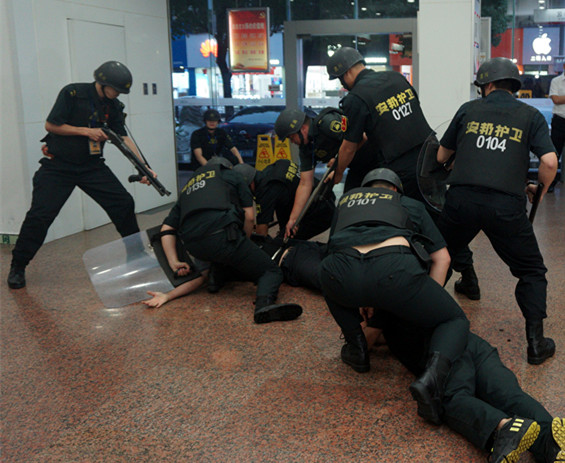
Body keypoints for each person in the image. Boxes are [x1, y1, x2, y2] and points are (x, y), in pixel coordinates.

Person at [326, 46, 480, 301]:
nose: (343, 86)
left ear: (346, 74)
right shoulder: (395, 78)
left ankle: (420, 280)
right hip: (431, 154)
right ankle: (469, 276)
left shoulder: (356, 98)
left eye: (341, 80)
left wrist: (338, 173)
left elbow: (350, 144)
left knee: (411, 220)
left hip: (404, 166)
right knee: (442, 217)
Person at [320, 167, 470, 425]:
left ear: (365, 189)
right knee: (454, 320)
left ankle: (357, 348)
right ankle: (432, 380)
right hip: (394, 269)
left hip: (339, 271)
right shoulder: (408, 203)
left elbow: (336, 248)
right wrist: (427, 303)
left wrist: (364, 297)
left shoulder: (346, 202)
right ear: (395, 190)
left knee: (330, 277)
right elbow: (442, 258)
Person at [436, 57, 558, 366]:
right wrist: (539, 191)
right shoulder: (530, 115)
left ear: (487, 85)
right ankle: (536, 344)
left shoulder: (468, 110)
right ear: (513, 85)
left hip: (461, 201)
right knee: (531, 271)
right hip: (505, 208)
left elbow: (440, 155)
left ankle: (415, 324)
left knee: (439, 256)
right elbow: (549, 162)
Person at [7, 61, 155, 290]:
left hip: (92, 166)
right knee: (40, 215)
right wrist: (86, 131)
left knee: (123, 203)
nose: (117, 94)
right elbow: (51, 125)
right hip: (58, 167)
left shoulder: (113, 106)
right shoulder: (73, 93)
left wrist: (143, 167)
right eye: (115, 89)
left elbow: (123, 138)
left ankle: (136, 255)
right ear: (102, 83)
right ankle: (18, 265)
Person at [363, 311, 565, 463]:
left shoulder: (383, 308)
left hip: (448, 356)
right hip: (475, 345)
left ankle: (504, 428)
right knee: (509, 395)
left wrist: (368, 319)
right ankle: (552, 441)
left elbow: (364, 342)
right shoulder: (414, 293)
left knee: (451, 398)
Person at [158, 156, 302, 324]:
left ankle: (216, 278)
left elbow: (166, 229)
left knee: (220, 255)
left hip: (193, 246)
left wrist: (174, 262)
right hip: (223, 237)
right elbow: (249, 217)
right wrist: (245, 243)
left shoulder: (188, 188)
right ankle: (264, 305)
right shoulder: (233, 176)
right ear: (227, 168)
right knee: (270, 271)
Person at [274, 107, 379, 239]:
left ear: (302, 129)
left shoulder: (327, 124)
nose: (292, 142)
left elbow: (362, 138)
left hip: (376, 162)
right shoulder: (306, 148)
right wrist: (293, 219)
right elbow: (305, 183)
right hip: (356, 168)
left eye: (291, 137)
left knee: (375, 205)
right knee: (347, 207)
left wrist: (338, 166)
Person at [233, 160, 335, 240]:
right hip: (324, 196)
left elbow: (261, 233)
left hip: (320, 213)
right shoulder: (274, 168)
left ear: (249, 185)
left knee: (280, 244)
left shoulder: (265, 191)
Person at [549, 71, 565, 191]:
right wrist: (560, 99)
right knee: (555, 153)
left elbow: (560, 99)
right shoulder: (556, 81)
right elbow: (555, 99)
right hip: (559, 121)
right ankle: (550, 183)